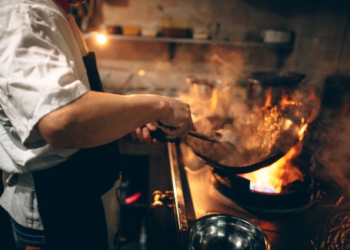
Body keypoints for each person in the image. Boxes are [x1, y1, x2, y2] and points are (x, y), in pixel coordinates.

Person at [0, 0, 194, 249]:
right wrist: (160, 106)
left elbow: (77, 105)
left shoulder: (59, 12)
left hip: (83, 196)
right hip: (57, 208)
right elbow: (62, 120)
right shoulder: (23, 12)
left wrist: (125, 121)